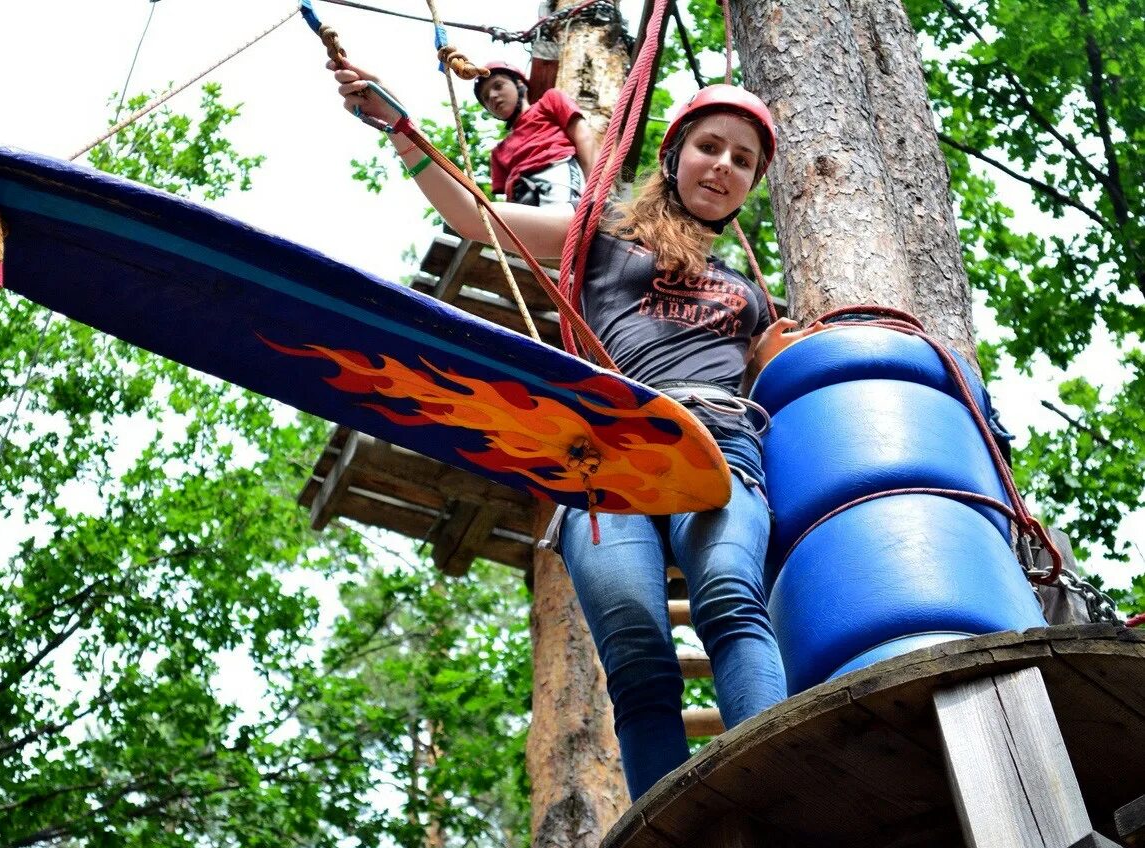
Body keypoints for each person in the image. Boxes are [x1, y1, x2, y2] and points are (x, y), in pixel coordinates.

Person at [334, 65, 819, 800]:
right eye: (710, 147)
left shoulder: (751, 294)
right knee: (635, 654)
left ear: (750, 183)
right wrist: (399, 127)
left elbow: (778, 387)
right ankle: (668, 828)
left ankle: (782, 792)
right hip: (608, 452)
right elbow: (476, 216)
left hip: (716, 439)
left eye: (742, 160)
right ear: (674, 154)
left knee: (726, 591)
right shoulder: (599, 238)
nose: (723, 166)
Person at [474, 62, 597, 208]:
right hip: (521, 196)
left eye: (498, 85)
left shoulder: (549, 101)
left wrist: (594, 188)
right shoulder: (498, 152)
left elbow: (583, 136)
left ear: (519, 84)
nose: (493, 96)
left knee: (562, 224)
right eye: (486, 98)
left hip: (557, 173)